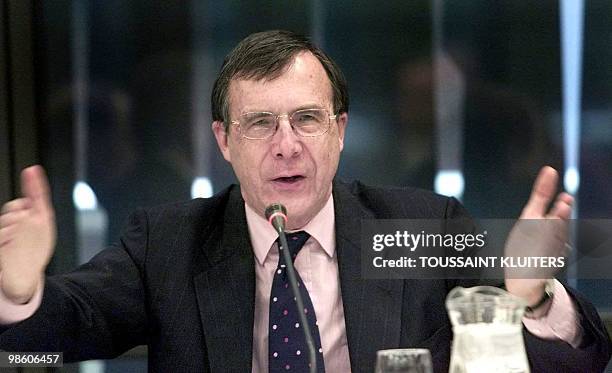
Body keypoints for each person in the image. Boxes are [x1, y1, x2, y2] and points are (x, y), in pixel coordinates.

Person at [0, 30, 610, 373]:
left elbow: (576, 367)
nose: (287, 147)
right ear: (224, 141)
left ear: (341, 131)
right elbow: (50, 343)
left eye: (308, 119)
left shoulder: (421, 226)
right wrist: (20, 294)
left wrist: (527, 295)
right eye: (261, 123)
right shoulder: (169, 244)